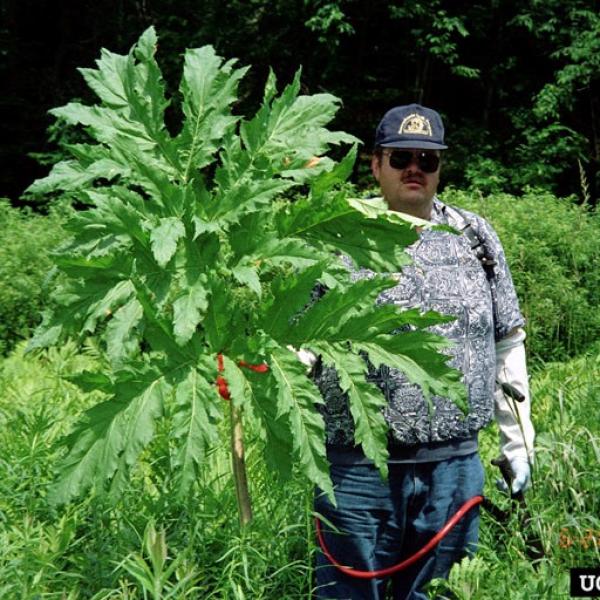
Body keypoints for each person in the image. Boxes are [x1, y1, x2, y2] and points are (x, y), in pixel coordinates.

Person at [311, 104, 535, 599]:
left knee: (441, 595)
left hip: (453, 469)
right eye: (400, 158)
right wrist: (261, 369)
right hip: (357, 470)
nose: (415, 168)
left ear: (439, 169)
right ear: (375, 165)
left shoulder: (476, 235)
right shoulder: (335, 235)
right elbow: (300, 341)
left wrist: (518, 444)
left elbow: (507, 342)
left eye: (427, 160)